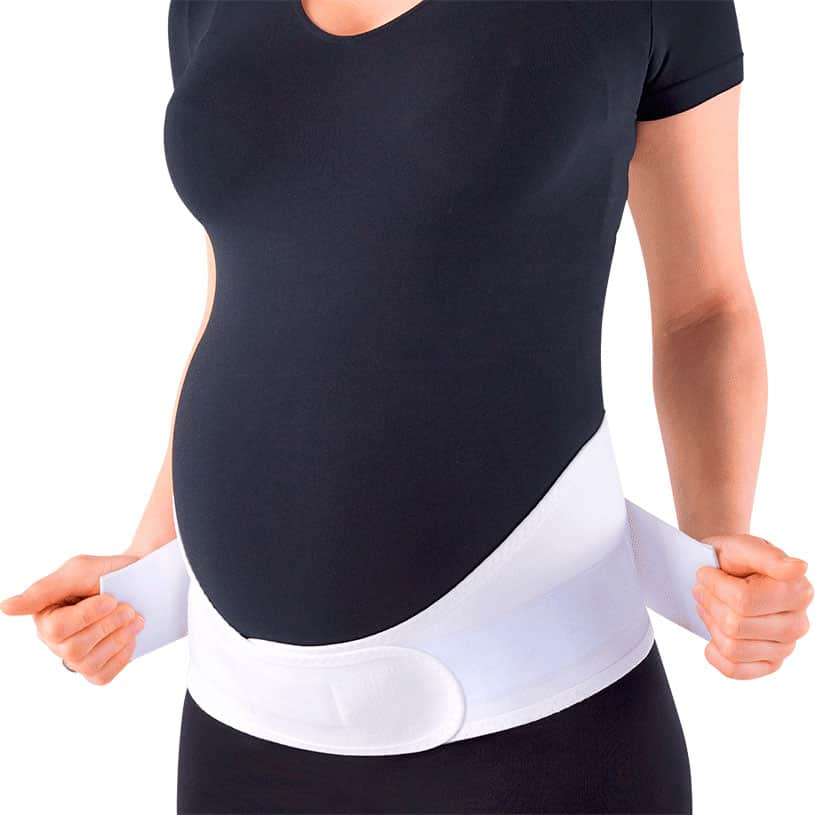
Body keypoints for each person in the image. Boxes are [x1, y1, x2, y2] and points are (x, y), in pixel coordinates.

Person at [2, 2, 812, 813]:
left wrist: (717, 551)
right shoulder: (205, 9)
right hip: (239, 732)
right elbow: (246, 294)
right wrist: (141, 570)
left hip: (541, 730)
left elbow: (703, 307)